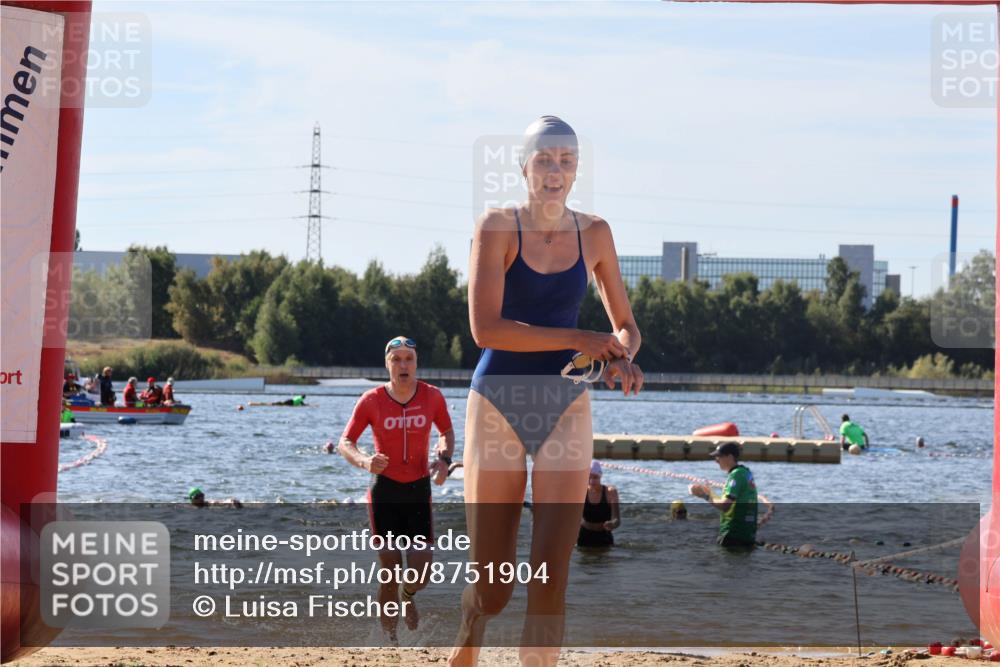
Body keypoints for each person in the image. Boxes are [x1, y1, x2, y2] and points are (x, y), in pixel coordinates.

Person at [452, 116, 644, 667]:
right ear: (523, 167)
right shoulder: (496, 227)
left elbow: (625, 325)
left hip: (567, 406)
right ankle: (470, 629)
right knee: (496, 590)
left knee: (550, 579)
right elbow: (486, 329)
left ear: (577, 169)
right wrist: (584, 337)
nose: (555, 171)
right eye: (544, 160)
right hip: (497, 404)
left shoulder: (597, 233)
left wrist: (623, 355)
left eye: (566, 161)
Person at [338, 336, 455, 639]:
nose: (403, 365)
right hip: (385, 491)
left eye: (409, 359)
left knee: (421, 572)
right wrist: (365, 461)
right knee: (388, 570)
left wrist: (444, 460)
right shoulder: (371, 400)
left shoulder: (432, 397)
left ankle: (408, 594)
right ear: (387, 364)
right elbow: (345, 442)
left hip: (418, 490)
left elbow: (446, 431)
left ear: (416, 363)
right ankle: (390, 642)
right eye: (397, 359)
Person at [690, 443, 758, 549]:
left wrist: (705, 496)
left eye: (719, 456)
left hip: (733, 534)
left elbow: (725, 506)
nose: (716, 460)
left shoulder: (736, 475)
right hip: (747, 534)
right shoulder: (745, 472)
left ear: (730, 457)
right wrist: (710, 493)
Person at [577, 460, 620, 548]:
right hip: (584, 536)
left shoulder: (610, 492)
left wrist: (612, 524)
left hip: (604, 536)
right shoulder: (580, 491)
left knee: (604, 560)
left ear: (600, 476)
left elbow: (617, 519)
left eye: (595, 477)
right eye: (589, 477)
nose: (592, 481)